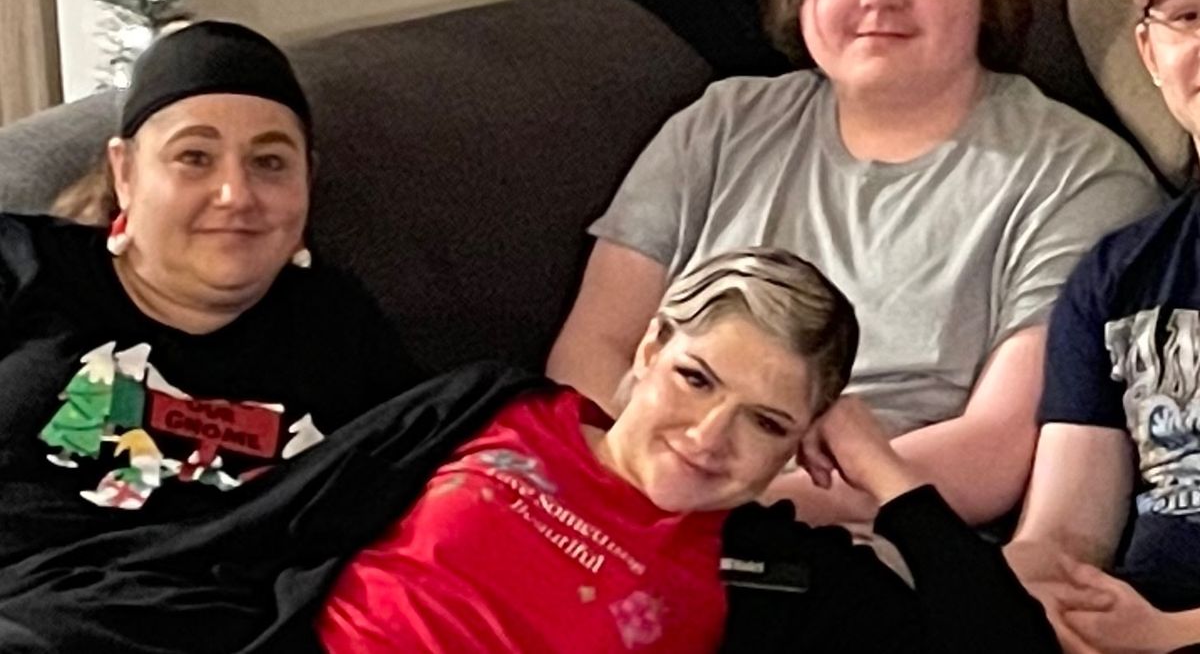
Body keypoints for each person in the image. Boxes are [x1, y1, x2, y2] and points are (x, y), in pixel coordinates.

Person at [547, 0, 1163, 529]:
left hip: (852, 537)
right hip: (620, 498)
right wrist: (633, 481)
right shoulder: (719, 124)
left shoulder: (1079, 177)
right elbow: (593, 345)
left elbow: (995, 452)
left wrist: (725, 503)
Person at [0, 247, 1056, 653]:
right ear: (650, 347)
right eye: (697, 379)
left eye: (767, 422)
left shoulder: (770, 571)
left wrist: (887, 474)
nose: (709, 437)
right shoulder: (499, 408)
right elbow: (270, 518)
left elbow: (1005, 646)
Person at [0, 20, 423, 568]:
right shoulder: (21, 264)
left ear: (307, 181)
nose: (235, 194)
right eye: (195, 157)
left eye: (269, 163)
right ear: (125, 173)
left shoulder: (338, 325)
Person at [1006, 0, 1200, 654]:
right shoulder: (1118, 277)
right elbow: (1062, 537)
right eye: (1190, 15)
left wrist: (1169, 636)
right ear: (1150, 52)